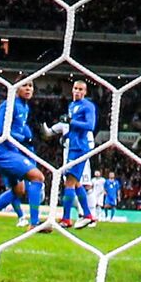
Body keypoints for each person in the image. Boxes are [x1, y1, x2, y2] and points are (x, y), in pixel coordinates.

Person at [0, 82, 51, 233]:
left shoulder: (25, 107)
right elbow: (0, 130)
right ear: (16, 88)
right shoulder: (9, 105)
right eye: (25, 86)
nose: (29, 88)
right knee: (38, 177)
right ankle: (34, 223)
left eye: (31, 85)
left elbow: (19, 128)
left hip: (11, 152)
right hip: (4, 153)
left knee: (18, 190)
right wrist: (23, 138)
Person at [46, 80, 98, 230]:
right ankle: (87, 215)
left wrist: (71, 122)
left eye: (81, 89)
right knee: (76, 183)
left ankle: (66, 219)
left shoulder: (88, 106)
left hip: (81, 148)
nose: (77, 91)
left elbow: (90, 126)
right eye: (75, 88)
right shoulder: (72, 106)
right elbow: (73, 127)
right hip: (73, 147)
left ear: (85, 92)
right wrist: (66, 136)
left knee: (69, 183)